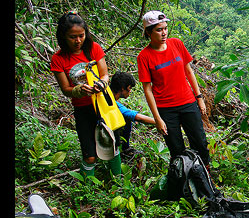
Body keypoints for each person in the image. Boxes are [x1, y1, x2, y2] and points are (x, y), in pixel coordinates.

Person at [51, 11, 122, 177]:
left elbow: (105, 74)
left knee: (113, 146)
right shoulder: (58, 59)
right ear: (63, 36)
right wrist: (78, 90)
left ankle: (118, 183)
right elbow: (65, 89)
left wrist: (101, 83)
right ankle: (86, 191)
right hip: (83, 110)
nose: (78, 41)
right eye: (72, 37)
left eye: (81, 36)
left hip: (103, 105)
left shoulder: (94, 49)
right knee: (89, 156)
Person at [137, 10, 210, 167]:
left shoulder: (176, 43)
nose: (164, 33)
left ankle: (205, 179)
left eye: (165, 28)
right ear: (149, 32)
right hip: (166, 109)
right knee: (177, 150)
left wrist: (199, 98)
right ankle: (184, 182)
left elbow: (188, 71)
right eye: (159, 29)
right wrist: (157, 118)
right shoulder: (144, 56)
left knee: (200, 143)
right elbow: (147, 89)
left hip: (188, 102)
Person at [109, 72, 155, 158]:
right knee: (126, 118)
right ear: (122, 88)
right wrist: (159, 122)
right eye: (129, 88)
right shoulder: (111, 102)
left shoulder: (107, 95)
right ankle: (124, 150)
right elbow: (137, 117)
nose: (130, 92)